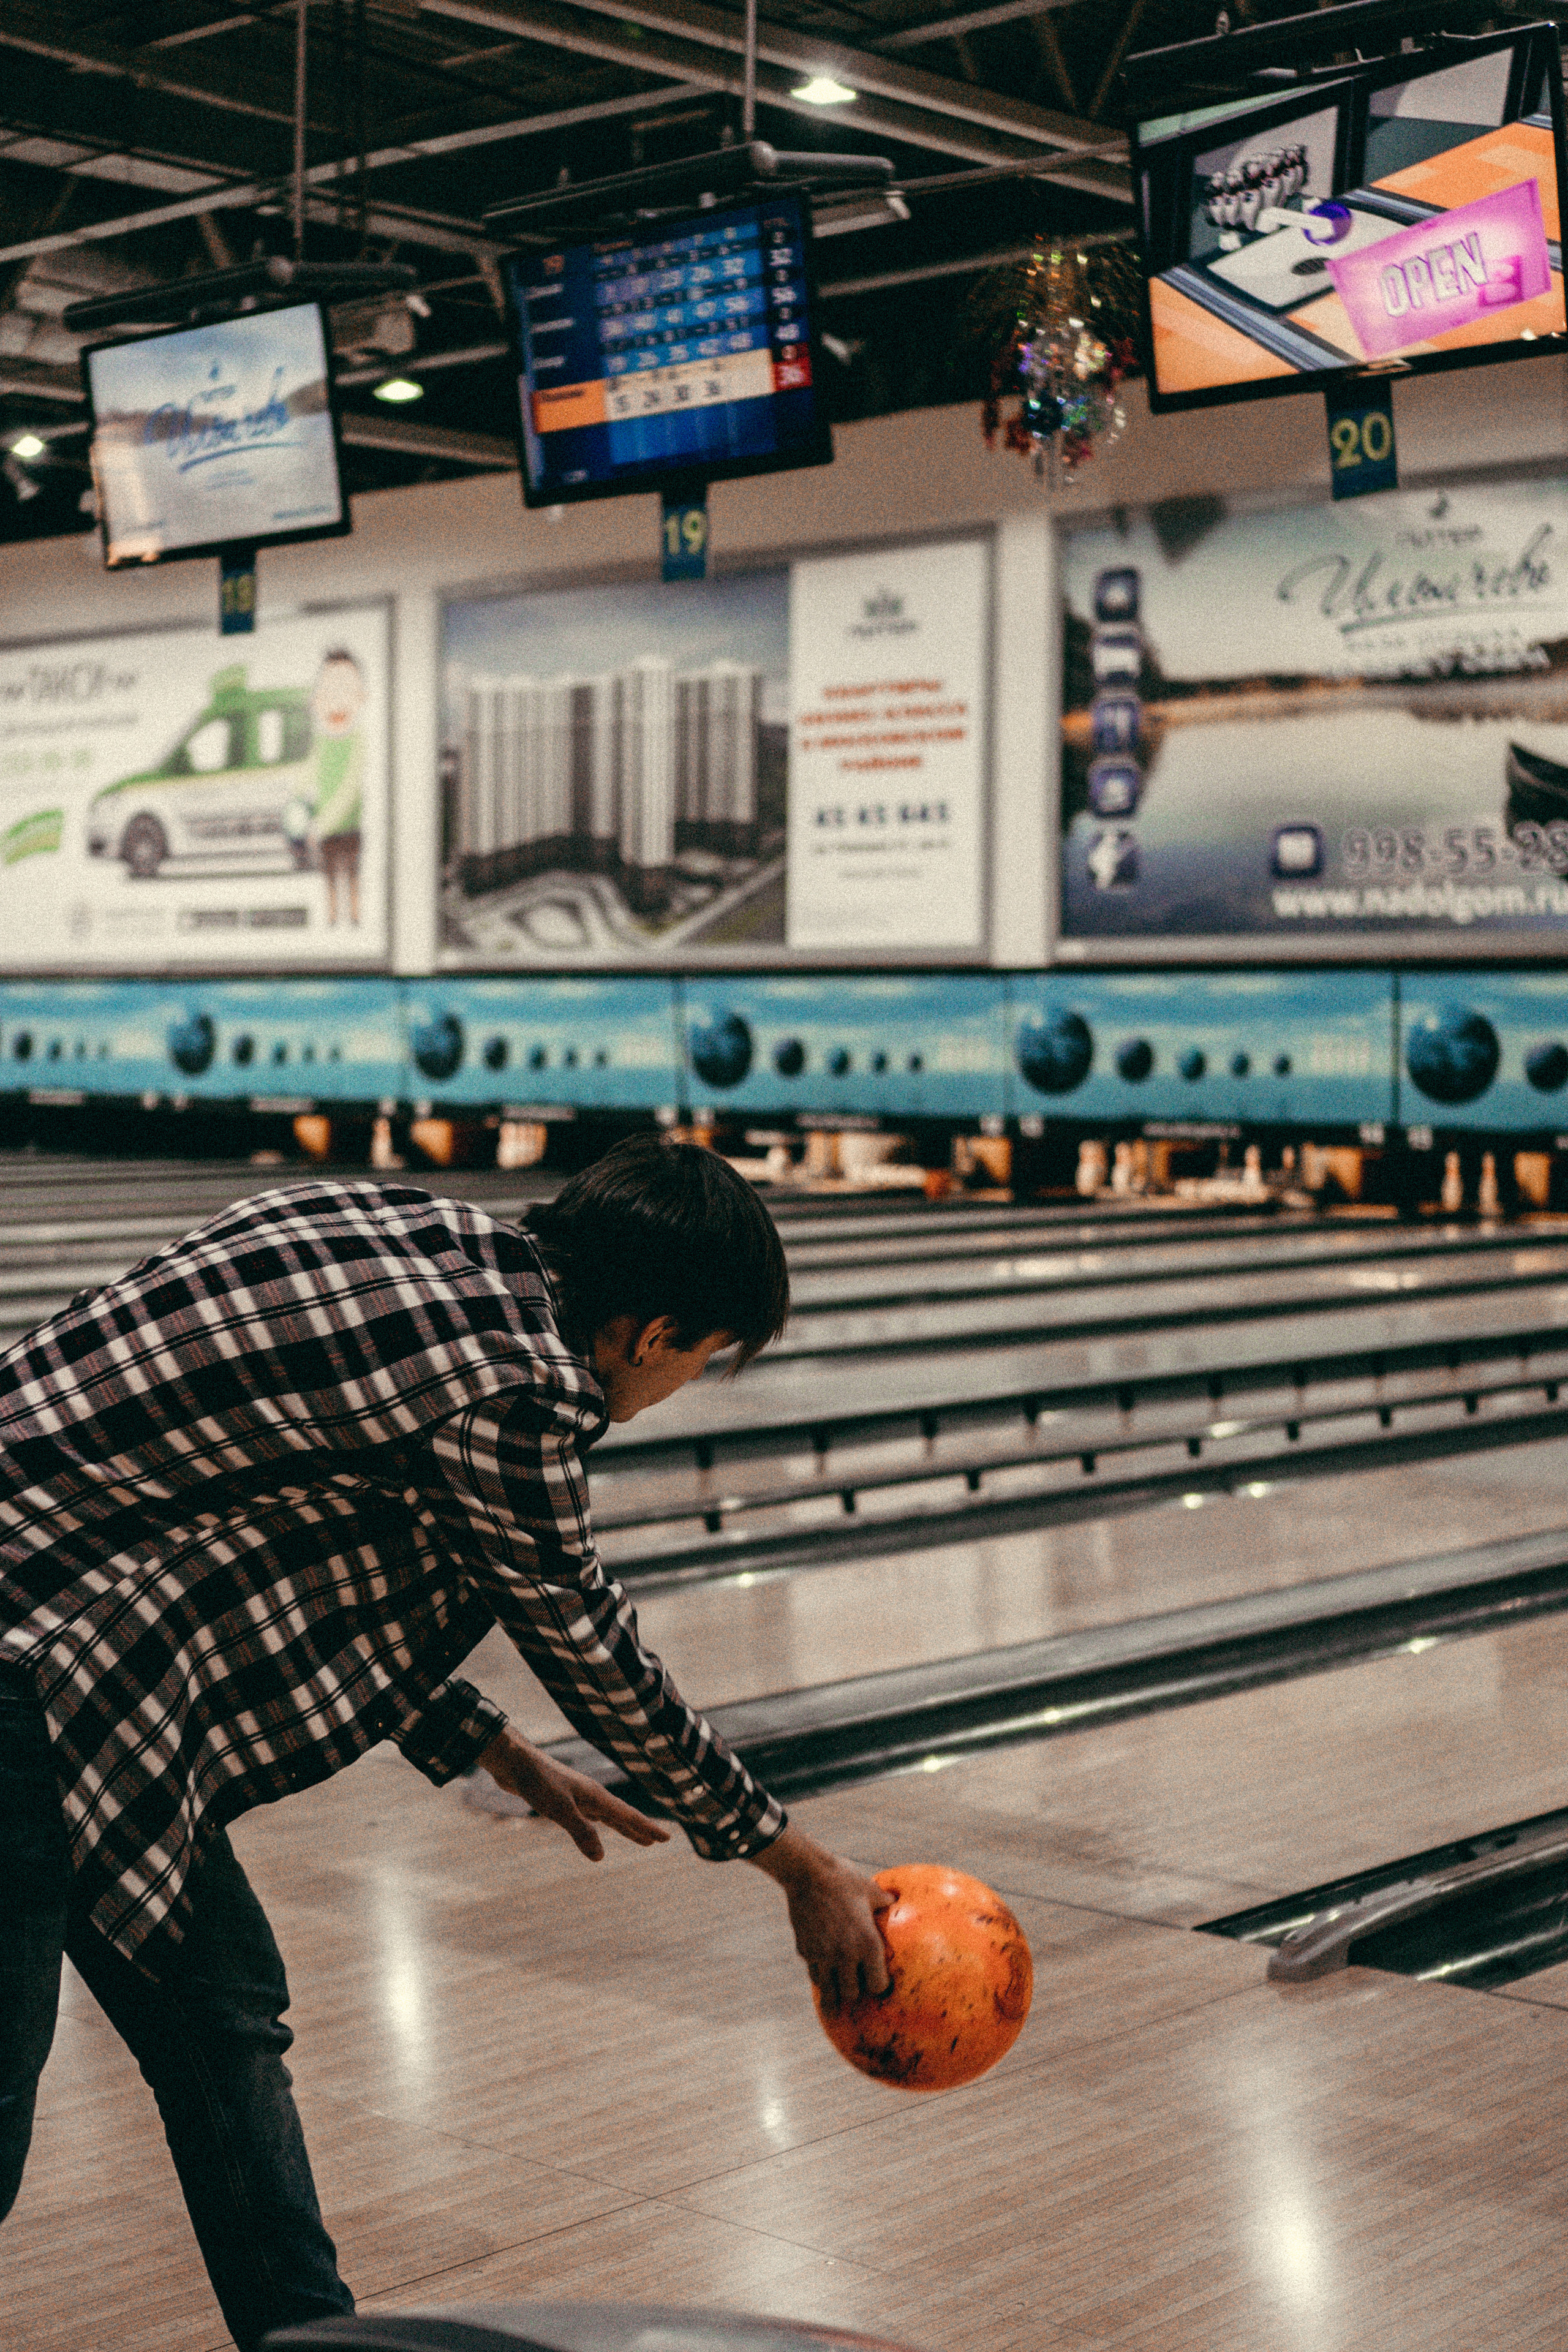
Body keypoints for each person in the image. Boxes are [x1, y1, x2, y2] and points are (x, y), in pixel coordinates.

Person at [0, 1136, 891, 2350]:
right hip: (32, 1680)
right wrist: (794, 1862)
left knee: (220, 2011)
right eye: (702, 1358)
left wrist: (474, 1732)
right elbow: (589, 1647)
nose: (685, 1383)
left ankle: (307, 2337)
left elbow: (266, 1533)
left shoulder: (411, 1235)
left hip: (85, 1676)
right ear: (647, 1334)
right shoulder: (515, 1389)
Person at [307, 647, 366, 925]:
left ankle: (354, 917)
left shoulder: (358, 741)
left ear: (361, 698)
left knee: (352, 872)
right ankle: (333, 918)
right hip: (326, 824)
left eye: (345, 692)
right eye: (329, 693)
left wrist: (322, 823)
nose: (336, 702)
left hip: (349, 824)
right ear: (316, 700)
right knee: (330, 873)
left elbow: (351, 787)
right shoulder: (321, 742)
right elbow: (309, 774)